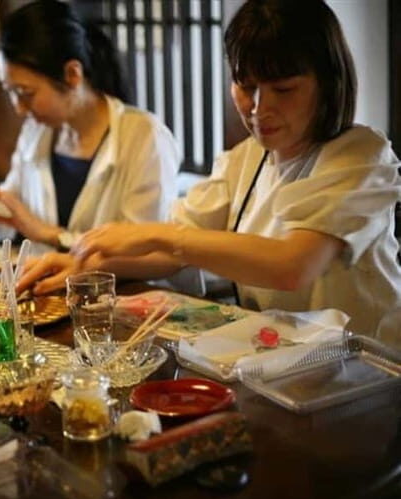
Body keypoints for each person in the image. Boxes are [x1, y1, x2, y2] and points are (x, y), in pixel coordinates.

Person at [21, 0, 401, 346]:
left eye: (283, 89)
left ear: (329, 83)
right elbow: (169, 257)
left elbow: (292, 266)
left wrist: (157, 233)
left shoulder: (360, 156)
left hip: (367, 369)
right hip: (282, 362)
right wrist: (82, 265)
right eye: (245, 85)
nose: (258, 108)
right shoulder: (245, 160)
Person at [0, 0, 179, 249]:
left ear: (72, 75)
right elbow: (14, 207)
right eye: (10, 91)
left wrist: (50, 235)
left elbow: (143, 246)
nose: (18, 107)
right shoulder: (38, 131)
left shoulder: (144, 138)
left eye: (26, 93)